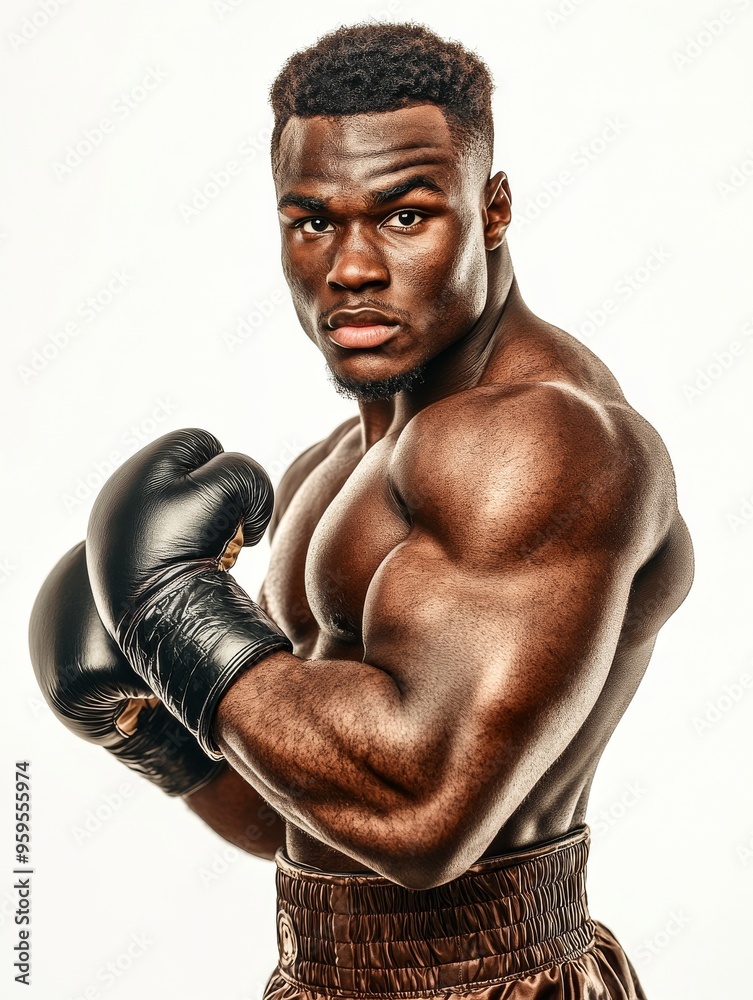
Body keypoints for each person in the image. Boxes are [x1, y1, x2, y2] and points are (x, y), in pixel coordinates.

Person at [29, 22, 694, 999]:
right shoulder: (333, 467)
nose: (350, 269)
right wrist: (158, 736)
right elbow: (318, 818)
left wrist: (176, 612)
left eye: (404, 215)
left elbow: (423, 811)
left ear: (494, 208)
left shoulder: (542, 440)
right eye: (313, 222)